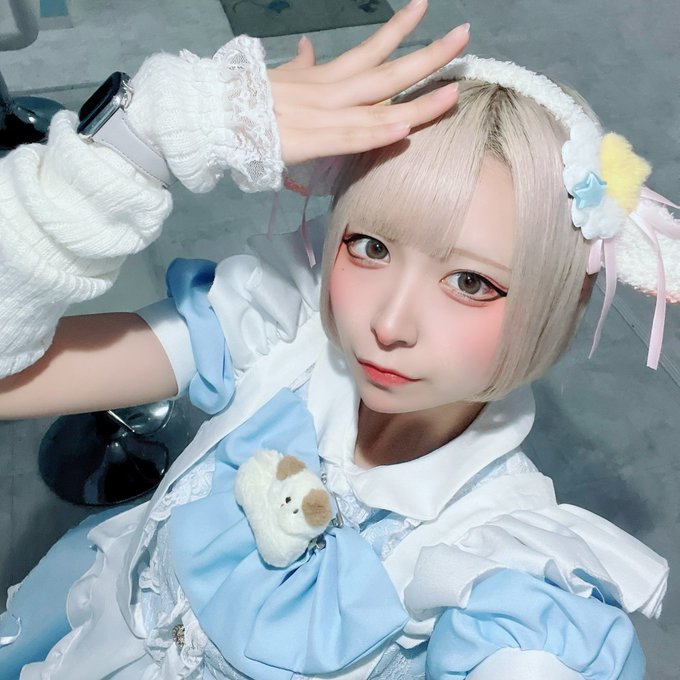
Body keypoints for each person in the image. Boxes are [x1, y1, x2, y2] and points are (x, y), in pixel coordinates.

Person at [0, 0, 677, 678]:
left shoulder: (500, 567)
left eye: (471, 282)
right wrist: (135, 142)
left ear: (568, 296)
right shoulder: (276, 334)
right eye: (371, 246)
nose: (389, 324)